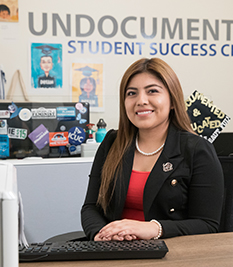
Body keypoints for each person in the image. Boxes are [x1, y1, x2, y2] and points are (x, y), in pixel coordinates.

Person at [81, 58, 224, 241]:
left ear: (173, 101)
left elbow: (208, 225)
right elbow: (90, 207)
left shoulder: (197, 149)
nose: (141, 101)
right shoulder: (112, 142)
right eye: (131, 93)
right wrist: (100, 235)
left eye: (152, 91)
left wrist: (154, 229)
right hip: (113, 249)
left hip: (171, 253)